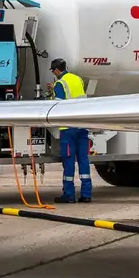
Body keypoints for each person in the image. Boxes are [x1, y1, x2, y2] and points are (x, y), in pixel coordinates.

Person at [49, 58, 92, 203]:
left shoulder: (60, 83)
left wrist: (52, 92)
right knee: (83, 160)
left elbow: (58, 104)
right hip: (82, 124)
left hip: (68, 128)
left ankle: (69, 194)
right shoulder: (78, 79)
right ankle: (86, 194)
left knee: (68, 161)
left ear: (56, 70)